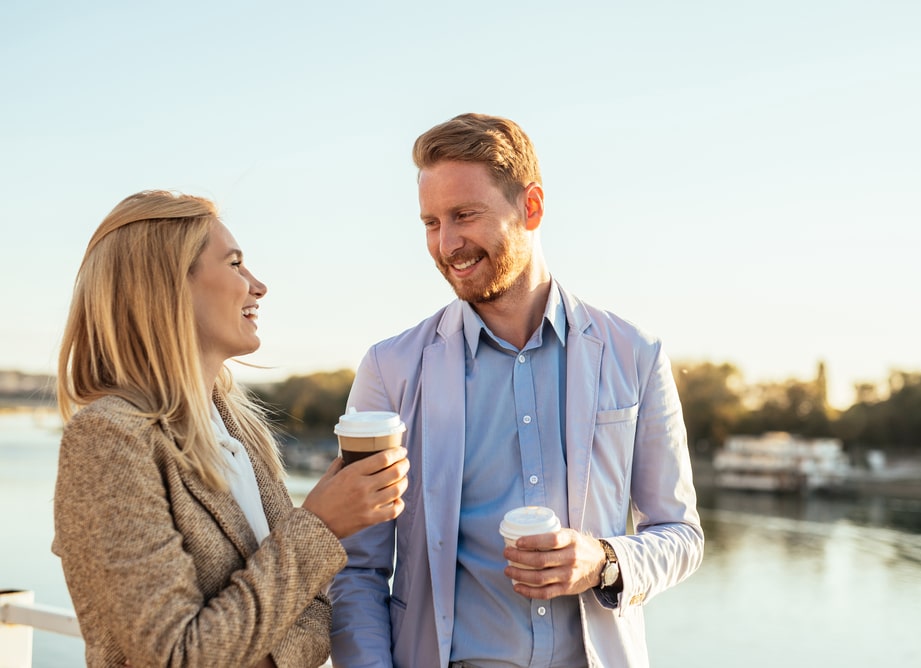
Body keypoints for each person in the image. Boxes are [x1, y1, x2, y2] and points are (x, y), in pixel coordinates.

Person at [328, 114, 704, 668]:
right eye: (431, 222)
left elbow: (681, 535)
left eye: (464, 215)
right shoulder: (390, 369)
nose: (446, 244)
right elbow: (356, 567)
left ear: (531, 207)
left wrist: (603, 560)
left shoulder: (636, 355)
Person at [52, 190, 409, 667]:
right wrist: (319, 524)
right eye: (236, 264)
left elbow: (319, 613)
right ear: (168, 286)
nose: (258, 286)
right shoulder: (107, 440)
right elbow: (178, 656)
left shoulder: (239, 430)